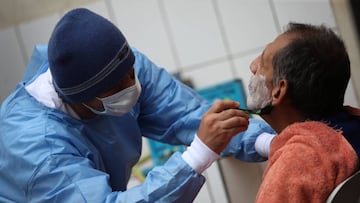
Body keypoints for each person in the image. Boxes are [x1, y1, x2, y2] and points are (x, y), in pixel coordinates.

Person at [0, 8, 274, 202]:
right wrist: (198, 155)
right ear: (80, 98)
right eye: (117, 87)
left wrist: (269, 143)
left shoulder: (118, 67)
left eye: (131, 72)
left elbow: (186, 113)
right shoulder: (38, 150)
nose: (132, 85)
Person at [247, 22, 360, 202]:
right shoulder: (351, 130)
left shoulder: (295, 163)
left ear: (279, 90)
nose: (252, 66)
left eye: (262, 61)